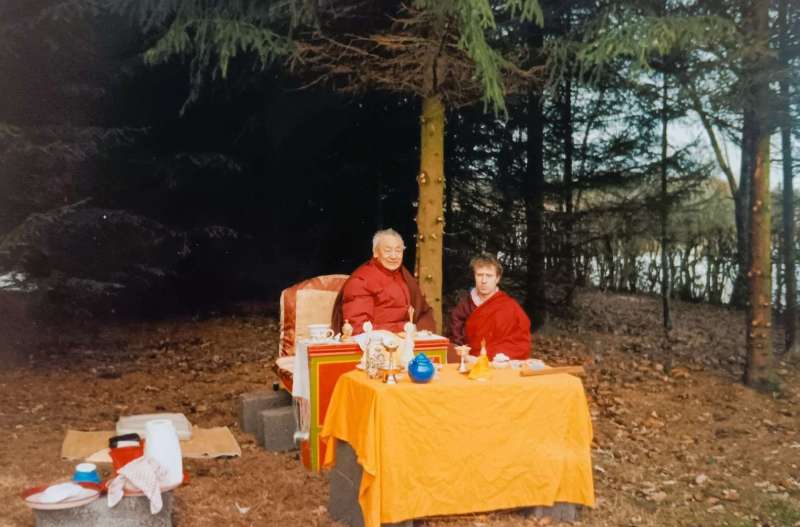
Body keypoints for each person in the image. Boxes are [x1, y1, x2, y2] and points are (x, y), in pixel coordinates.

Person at [332, 228, 436, 335]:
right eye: (388, 250)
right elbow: (358, 327)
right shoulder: (361, 280)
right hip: (376, 344)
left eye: (398, 250)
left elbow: (423, 313)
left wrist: (421, 332)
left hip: (409, 339)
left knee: (444, 350)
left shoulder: (404, 275)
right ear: (375, 252)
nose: (393, 256)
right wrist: (402, 329)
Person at [448, 254, 531, 360]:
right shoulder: (464, 307)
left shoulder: (510, 307)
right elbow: (455, 341)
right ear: (474, 276)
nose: (483, 281)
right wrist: (464, 356)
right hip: (469, 361)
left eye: (489, 276)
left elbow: (521, 343)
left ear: (497, 278)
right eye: (479, 275)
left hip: (500, 362)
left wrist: (492, 356)